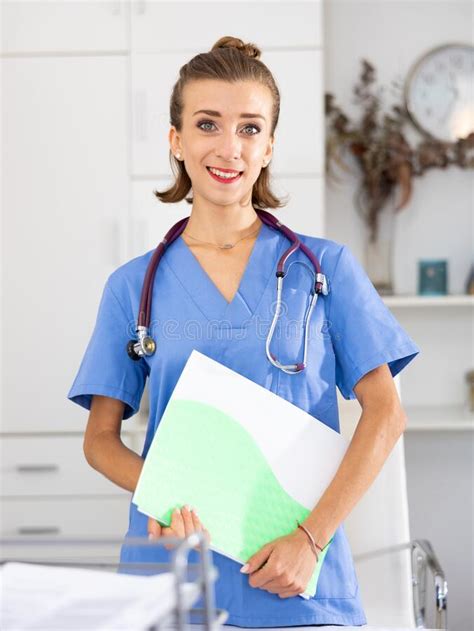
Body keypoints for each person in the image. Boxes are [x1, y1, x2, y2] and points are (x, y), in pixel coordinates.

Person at [67, 36, 420, 627]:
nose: (229, 147)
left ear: (270, 145)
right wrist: (168, 495)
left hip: (297, 581)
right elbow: (100, 439)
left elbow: (386, 412)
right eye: (208, 124)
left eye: (250, 128)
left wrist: (311, 540)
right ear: (176, 141)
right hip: (173, 576)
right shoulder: (133, 287)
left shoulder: (324, 270)